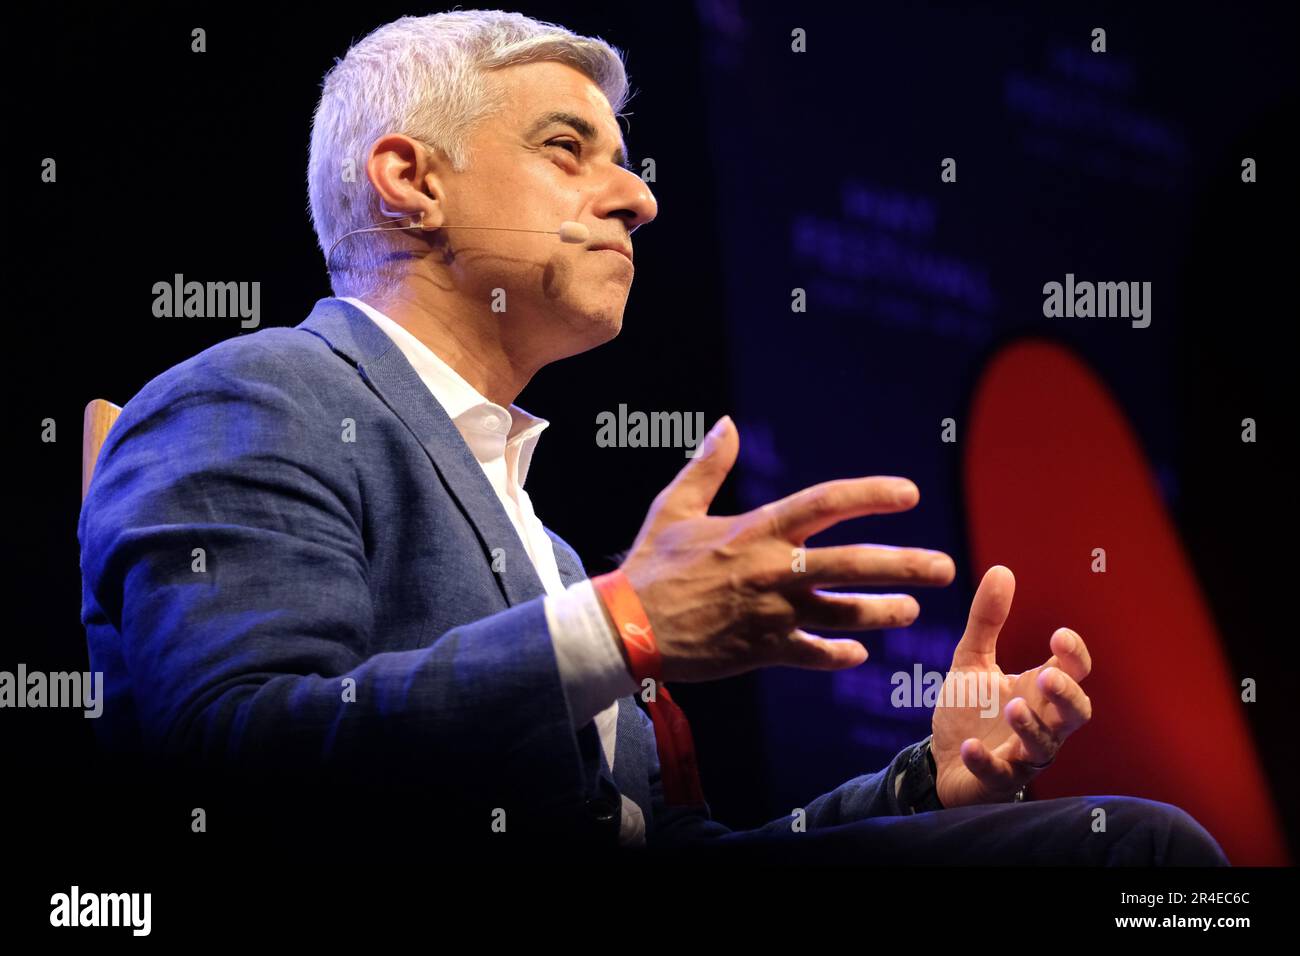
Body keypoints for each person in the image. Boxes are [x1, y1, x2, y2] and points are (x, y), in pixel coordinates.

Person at [78, 10, 1226, 864]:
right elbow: (228, 757)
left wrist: (929, 784)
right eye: (569, 148)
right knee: (1131, 857)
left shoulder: (549, 546)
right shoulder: (245, 393)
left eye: (621, 159)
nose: (637, 196)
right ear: (408, 179)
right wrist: (622, 622)